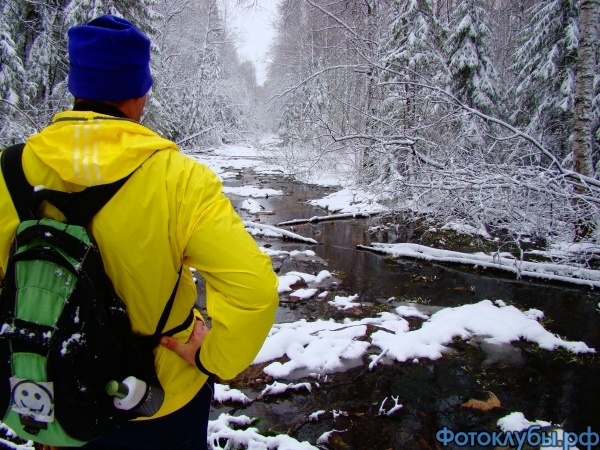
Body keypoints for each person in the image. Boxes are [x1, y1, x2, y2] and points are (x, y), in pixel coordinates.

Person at [0, 14, 279, 450]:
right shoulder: (180, 179)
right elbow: (255, 289)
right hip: (158, 398)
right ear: (141, 90)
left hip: (50, 392)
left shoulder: (8, 171)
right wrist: (214, 357)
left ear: (76, 85)